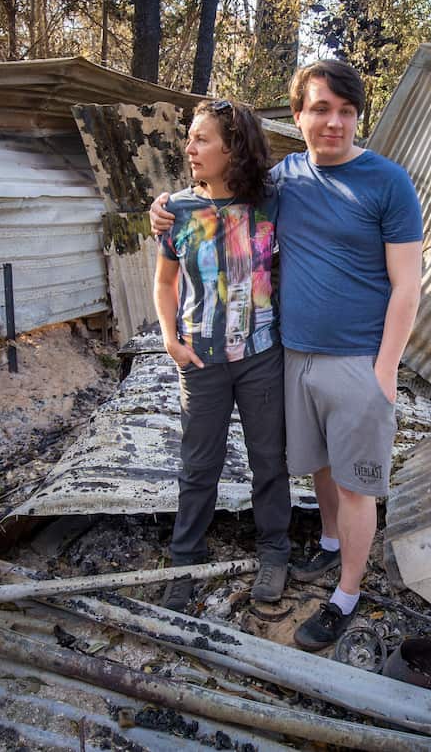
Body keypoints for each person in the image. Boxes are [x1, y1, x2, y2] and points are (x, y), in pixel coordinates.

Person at [152, 62, 422, 649]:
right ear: (296, 116)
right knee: (317, 466)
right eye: (321, 109)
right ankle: (326, 548)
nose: (335, 122)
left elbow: (408, 285)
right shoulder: (282, 182)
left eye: (346, 111)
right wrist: (163, 208)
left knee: (352, 483)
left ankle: (346, 593)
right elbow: (214, 200)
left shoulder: (388, 182)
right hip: (292, 356)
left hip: (354, 361)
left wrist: (385, 370)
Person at [153, 98, 292, 612]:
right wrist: (170, 337)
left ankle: (274, 552)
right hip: (201, 360)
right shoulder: (177, 212)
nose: (189, 147)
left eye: (201, 138)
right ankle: (186, 558)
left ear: (233, 147)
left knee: (269, 460)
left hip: (261, 354)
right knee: (198, 464)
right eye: (191, 138)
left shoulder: (272, 201)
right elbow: (165, 281)